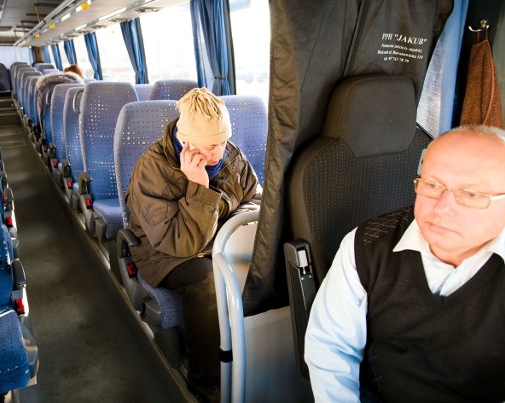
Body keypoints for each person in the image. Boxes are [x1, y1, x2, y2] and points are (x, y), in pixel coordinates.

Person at [304, 125, 505, 402]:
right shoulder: (366, 245)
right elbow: (331, 348)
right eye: (432, 185)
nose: (443, 208)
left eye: (471, 194)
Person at [125, 87, 261, 402]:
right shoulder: (152, 169)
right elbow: (181, 243)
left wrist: (226, 225)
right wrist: (199, 187)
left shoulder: (229, 154)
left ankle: (257, 355)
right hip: (165, 254)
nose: (219, 152)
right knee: (207, 280)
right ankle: (205, 382)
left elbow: (255, 197)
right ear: (186, 142)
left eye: (224, 142)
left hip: (215, 243)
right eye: (211, 145)